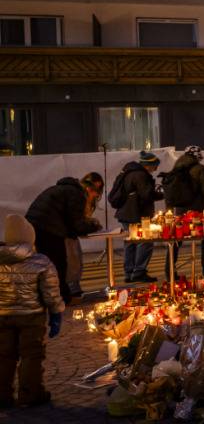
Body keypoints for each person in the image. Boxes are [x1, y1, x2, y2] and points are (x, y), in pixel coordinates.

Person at [0, 214, 64, 408]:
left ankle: (2, 395)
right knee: (32, 355)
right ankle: (30, 393)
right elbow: (51, 291)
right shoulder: (41, 261)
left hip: (2, 316)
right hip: (32, 317)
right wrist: (56, 312)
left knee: (3, 355)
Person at [25, 174, 102, 303]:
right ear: (89, 190)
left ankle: (52, 297)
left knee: (48, 264)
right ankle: (62, 299)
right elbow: (77, 224)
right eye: (95, 194)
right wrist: (94, 225)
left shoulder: (65, 189)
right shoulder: (77, 194)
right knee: (58, 264)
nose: (94, 198)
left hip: (35, 226)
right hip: (47, 229)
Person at [163, 146, 204, 276]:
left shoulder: (176, 169)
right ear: (198, 157)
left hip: (180, 210)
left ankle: (169, 270)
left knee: (177, 239)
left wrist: (169, 211)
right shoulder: (200, 169)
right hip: (198, 210)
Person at [114, 151, 164, 283]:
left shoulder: (129, 173)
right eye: (155, 166)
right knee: (145, 241)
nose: (156, 169)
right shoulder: (141, 175)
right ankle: (139, 271)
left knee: (130, 243)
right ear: (148, 165)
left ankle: (129, 272)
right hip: (137, 214)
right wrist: (162, 193)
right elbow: (146, 195)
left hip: (126, 213)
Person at [65, 172, 104, 300]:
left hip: (68, 231)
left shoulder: (83, 197)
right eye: (94, 189)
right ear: (87, 187)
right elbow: (75, 221)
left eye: (98, 189)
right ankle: (72, 289)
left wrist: (90, 223)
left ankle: (73, 288)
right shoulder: (77, 196)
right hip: (64, 232)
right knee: (72, 259)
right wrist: (90, 226)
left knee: (76, 258)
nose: (96, 193)